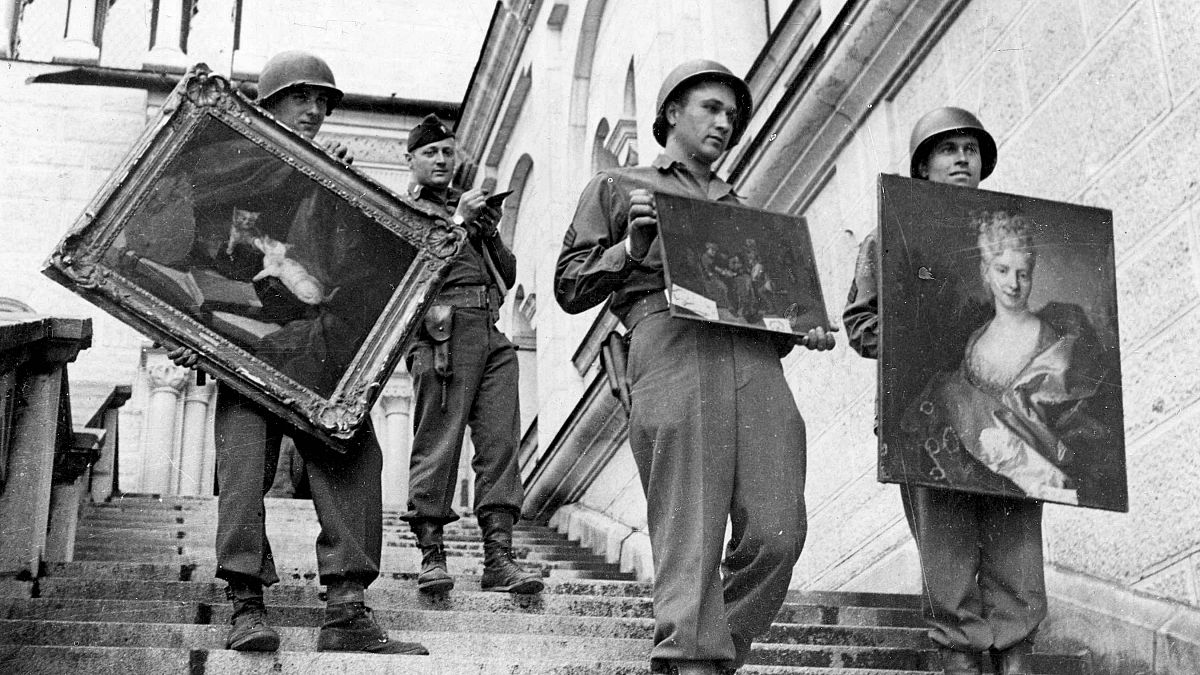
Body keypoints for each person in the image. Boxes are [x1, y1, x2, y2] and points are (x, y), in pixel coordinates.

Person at [556, 59, 835, 675]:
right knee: (690, 524)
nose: (725, 122)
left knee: (777, 529)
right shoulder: (618, 185)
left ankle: (716, 646)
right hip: (671, 345)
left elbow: (774, 311)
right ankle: (689, 656)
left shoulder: (748, 212)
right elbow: (569, 286)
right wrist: (629, 250)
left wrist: (803, 328)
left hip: (754, 361)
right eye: (711, 107)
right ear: (672, 113)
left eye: (733, 115)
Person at [169, 50, 428, 656]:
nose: (314, 109)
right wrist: (184, 331)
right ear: (267, 106)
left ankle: (346, 610)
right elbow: (185, 261)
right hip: (245, 346)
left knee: (352, 459)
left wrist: (338, 194)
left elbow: (356, 273)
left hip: (321, 352)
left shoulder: (334, 181)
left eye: (322, 100)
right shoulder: (224, 174)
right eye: (299, 97)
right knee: (241, 473)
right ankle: (245, 603)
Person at [843, 107, 1043, 675]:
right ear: (923, 166)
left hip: (1004, 414)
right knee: (949, 546)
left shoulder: (1010, 239)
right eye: (947, 148)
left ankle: (1016, 655)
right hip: (927, 415)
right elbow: (861, 325)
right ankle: (959, 654)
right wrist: (931, 336)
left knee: (1015, 542)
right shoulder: (891, 232)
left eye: (971, 149)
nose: (962, 158)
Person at [400, 114, 543, 596]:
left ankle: (498, 557)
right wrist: (460, 221)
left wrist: (489, 231)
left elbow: (506, 275)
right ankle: (431, 553)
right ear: (411, 160)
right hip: (443, 334)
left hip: (491, 331)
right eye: (430, 153)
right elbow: (418, 264)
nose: (441, 160)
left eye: (447, 151)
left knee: (501, 443)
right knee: (438, 441)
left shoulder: (465, 214)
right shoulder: (403, 210)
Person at [899, 211, 1115, 507]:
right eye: (1002, 270)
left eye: (1022, 273)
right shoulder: (975, 338)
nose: (1013, 284)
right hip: (971, 480)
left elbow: (1057, 418)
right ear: (985, 271)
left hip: (1031, 480)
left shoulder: (1050, 337)